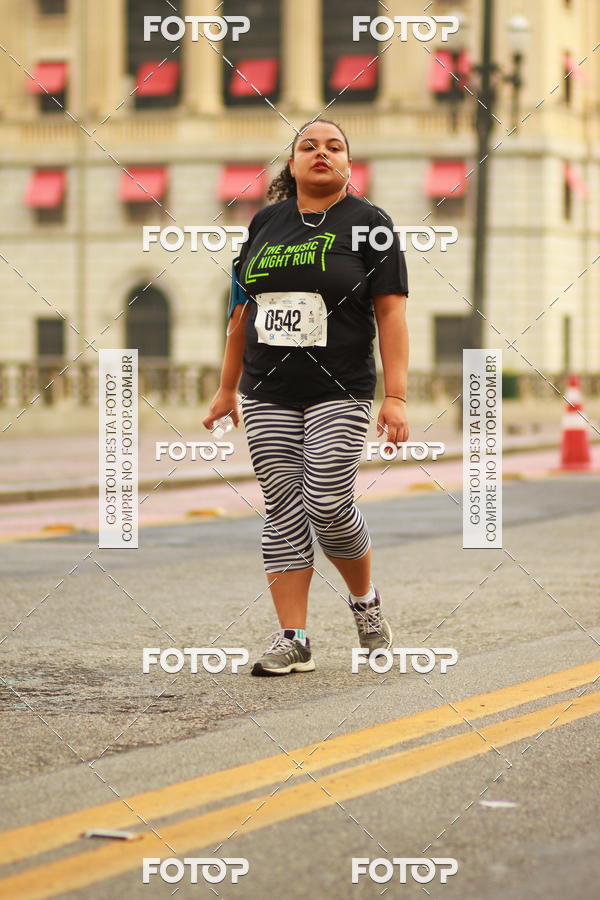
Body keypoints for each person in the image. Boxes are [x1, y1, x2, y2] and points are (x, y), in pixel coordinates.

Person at [203, 117, 409, 676]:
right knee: (283, 508)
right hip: (267, 388)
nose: (321, 152)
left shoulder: (371, 224)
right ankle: (292, 637)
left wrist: (397, 396)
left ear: (350, 163)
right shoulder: (265, 223)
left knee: (325, 498)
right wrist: (226, 389)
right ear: (291, 165)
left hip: (340, 387)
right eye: (307, 146)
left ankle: (365, 605)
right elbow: (240, 314)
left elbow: (390, 313)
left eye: (334, 146)